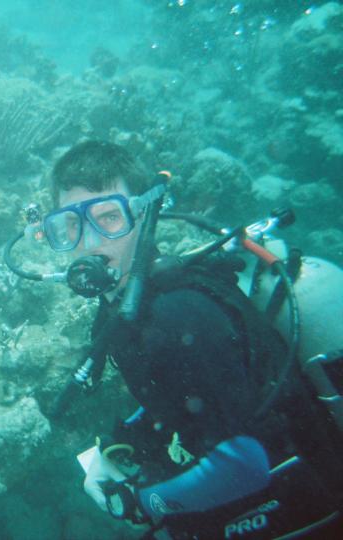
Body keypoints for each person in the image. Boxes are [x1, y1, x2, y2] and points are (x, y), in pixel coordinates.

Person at [42, 141, 342, 538]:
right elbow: (177, 396)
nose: (90, 242)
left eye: (109, 218)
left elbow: (243, 464)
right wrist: (119, 443)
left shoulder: (177, 313)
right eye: (72, 225)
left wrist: (140, 500)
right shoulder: (124, 306)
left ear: (144, 216)